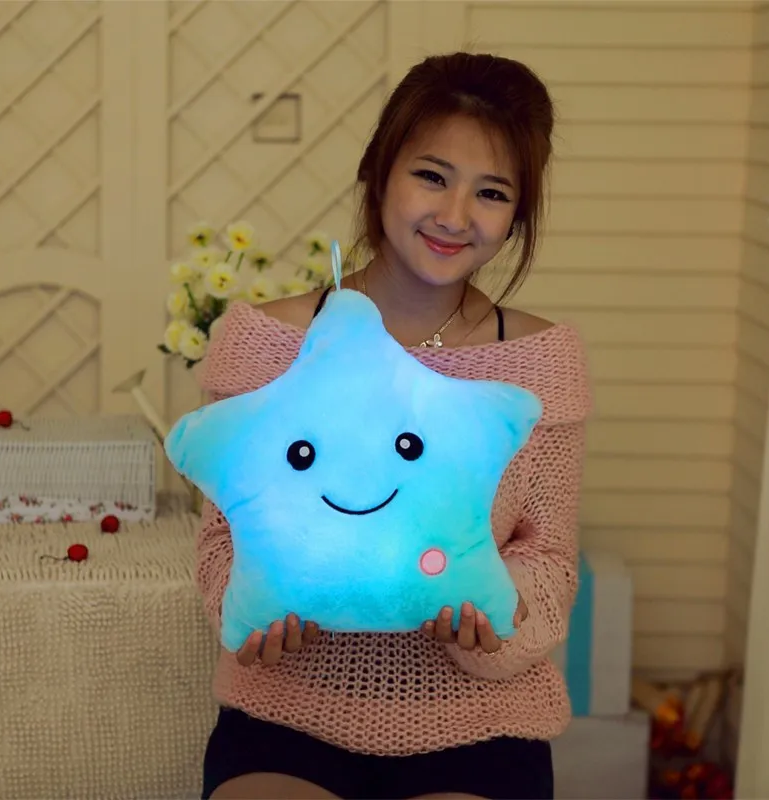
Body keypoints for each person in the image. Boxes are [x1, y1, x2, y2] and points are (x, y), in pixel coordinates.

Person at [196, 51, 592, 800]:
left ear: (516, 216)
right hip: (287, 718)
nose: (455, 216)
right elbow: (222, 540)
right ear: (378, 175)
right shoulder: (264, 342)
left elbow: (550, 560)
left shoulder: (540, 362)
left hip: (482, 728)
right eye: (432, 176)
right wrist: (254, 610)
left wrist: (489, 619)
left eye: (492, 192)